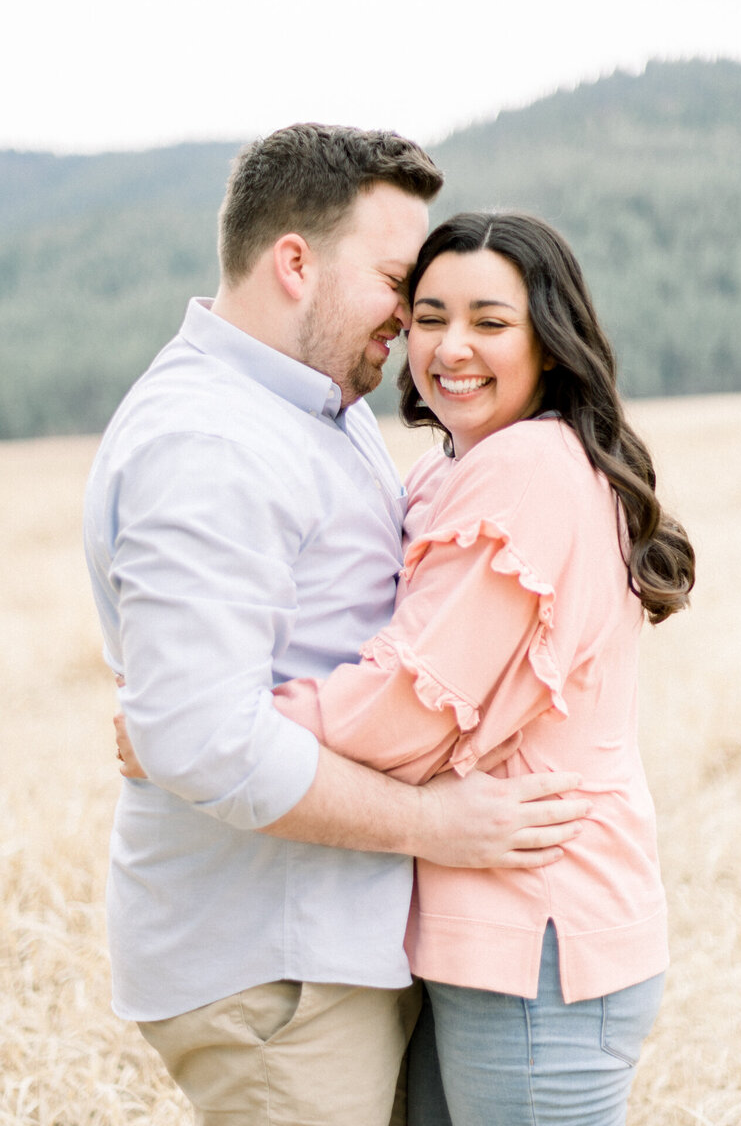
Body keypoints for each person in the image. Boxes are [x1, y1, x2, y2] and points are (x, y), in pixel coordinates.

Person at [84, 127, 588, 1126]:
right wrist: (436, 825)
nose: (412, 320)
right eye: (397, 281)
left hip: (324, 946)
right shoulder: (207, 440)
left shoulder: (316, 407)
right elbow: (202, 739)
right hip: (272, 964)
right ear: (294, 263)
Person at [262, 211, 697, 1124]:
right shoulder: (459, 468)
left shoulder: (530, 468)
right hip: (491, 935)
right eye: (429, 316)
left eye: (490, 322)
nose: (451, 347)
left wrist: (228, 726)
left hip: (539, 938)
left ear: (551, 337)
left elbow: (407, 710)